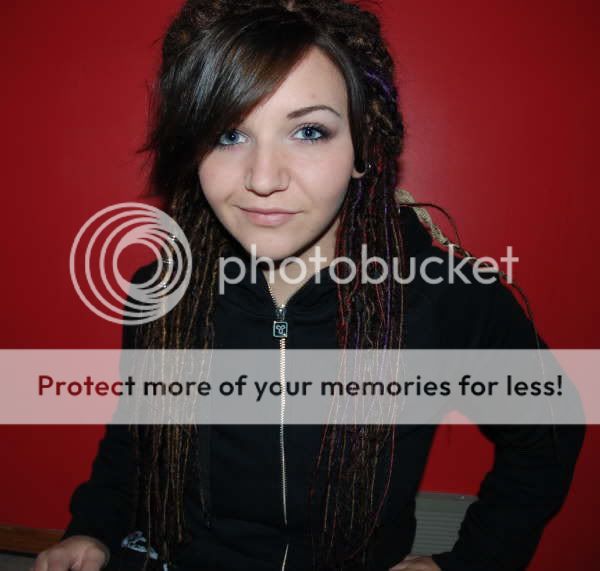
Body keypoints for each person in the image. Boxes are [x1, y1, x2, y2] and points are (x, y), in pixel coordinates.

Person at [32, 1, 585, 570]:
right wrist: (92, 530)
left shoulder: (441, 297)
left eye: (309, 131)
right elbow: (137, 438)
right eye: (228, 134)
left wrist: (471, 561)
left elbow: (550, 429)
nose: (263, 178)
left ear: (363, 146)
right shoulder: (164, 292)